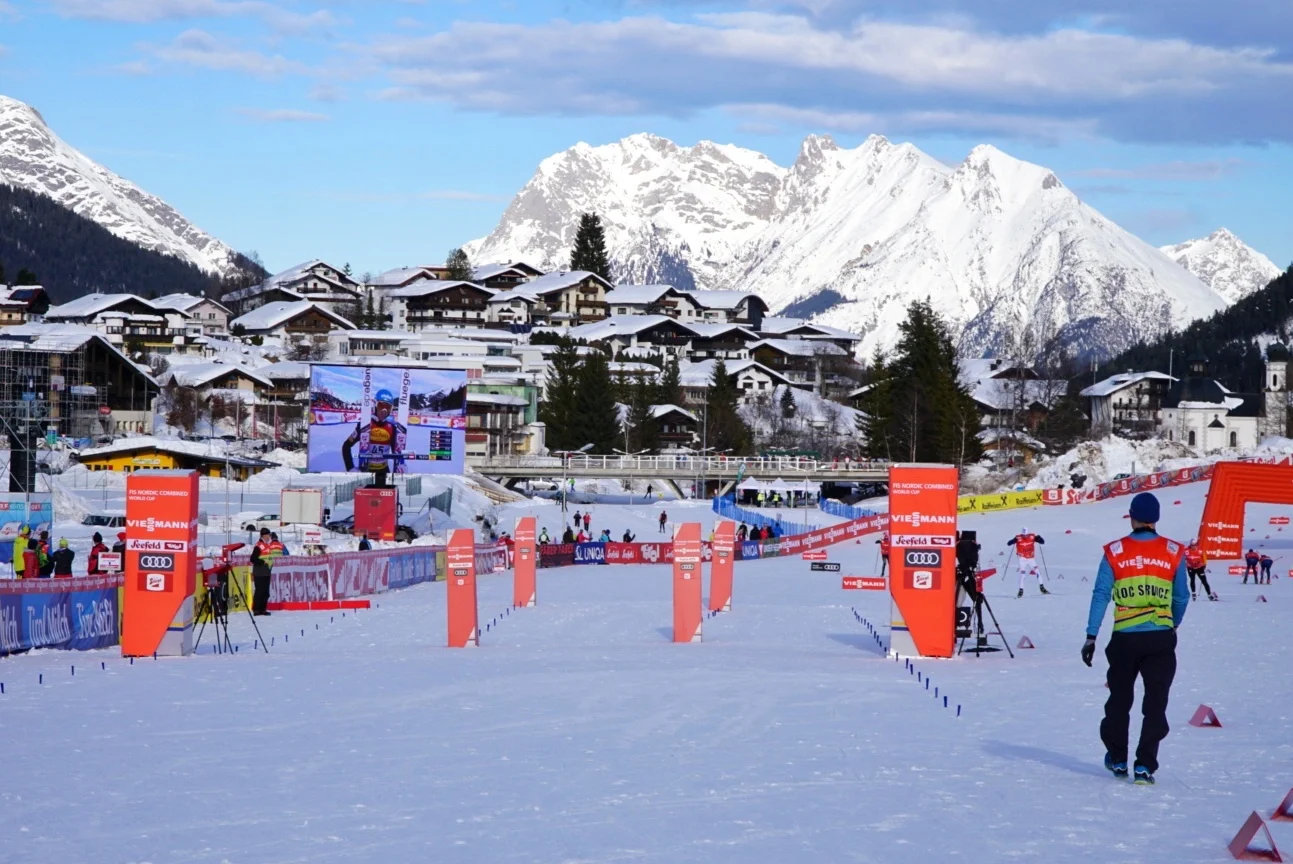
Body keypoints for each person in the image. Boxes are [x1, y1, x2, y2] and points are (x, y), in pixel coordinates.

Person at [1082, 492, 1188, 786]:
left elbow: (1101, 594)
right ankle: (1144, 766)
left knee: (1119, 700)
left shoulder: (1115, 551)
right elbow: (1182, 597)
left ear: (1132, 516)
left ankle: (1118, 759)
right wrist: (1172, 626)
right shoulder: (1173, 551)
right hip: (1160, 638)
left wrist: (1091, 635)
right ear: (1156, 518)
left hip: (1125, 639)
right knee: (1155, 703)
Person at [341, 388, 407, 475]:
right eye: (381, 406)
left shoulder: (392, 428)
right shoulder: (364, 425)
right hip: (365, 471)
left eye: (388, 407)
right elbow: (346, 447)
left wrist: (401, 465)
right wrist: (350, 468)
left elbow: (397, 452)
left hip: (383, 471)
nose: (384, 411)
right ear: (375, 405)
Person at [1008, 527, 1049, 597]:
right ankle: (1021, 591)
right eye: (1023, 535)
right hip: (1022, 559)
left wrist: (1039, 538)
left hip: (1031, 559)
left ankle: (1042, 588)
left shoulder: (1032, 537)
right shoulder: (1018, 538)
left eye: (1026, 535)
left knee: (1038, 572)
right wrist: (1013, 541)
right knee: (1023, 575)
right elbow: (1008, 543)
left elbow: (1042, 542)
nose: (1025, 537)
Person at [250, 528, 275, 616]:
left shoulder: (267, 545)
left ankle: (263, 609)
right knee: (259, 591)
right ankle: (257, 609)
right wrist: (262, 562)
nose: (269, 536)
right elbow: (253, 559)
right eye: (268, 535)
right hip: (259, 572)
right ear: (264, 535)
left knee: (265, 592)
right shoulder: (258, 546)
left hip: (266, 572)